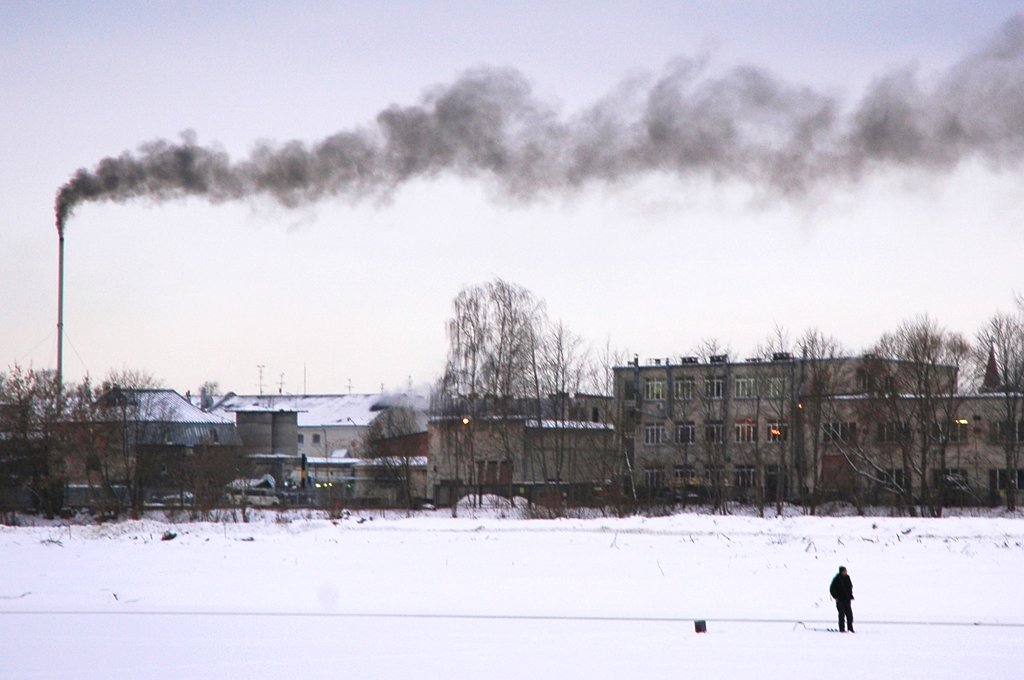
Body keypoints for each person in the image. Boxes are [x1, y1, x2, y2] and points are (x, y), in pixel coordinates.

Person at [829, 566, 854, 632]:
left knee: (849, 615)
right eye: (844, 571)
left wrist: (850, 595)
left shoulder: (847, 578)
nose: (846, 572)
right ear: (841, 571)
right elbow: (832, 589)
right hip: (840, 600)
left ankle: (850, 629)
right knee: (841, 616)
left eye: (846, 571)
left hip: (847, 600)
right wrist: (836, 597)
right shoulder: (837, 579)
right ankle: (842, 629)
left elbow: (850, 587)